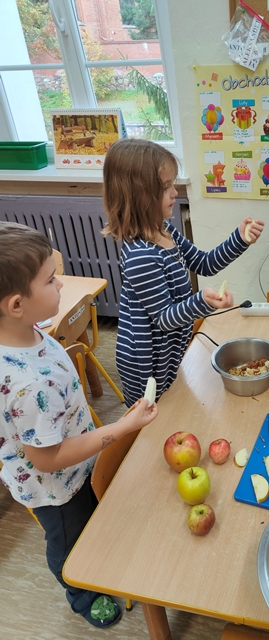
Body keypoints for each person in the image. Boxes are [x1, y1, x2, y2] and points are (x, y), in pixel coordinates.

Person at [0, 222, 158, 628]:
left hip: (76, 457)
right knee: (69, 541)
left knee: (94, 520)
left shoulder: (25, 330)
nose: (61, 283)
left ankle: (98, 558)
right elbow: (48, 460)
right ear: (17, 304)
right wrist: (117, 430)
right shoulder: (27, 384)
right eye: (51, 280)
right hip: (56, 486)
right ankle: (82, 593)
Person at [103, 139, 264, 407]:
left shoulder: (166, 231)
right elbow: (165, 318)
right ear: (138, 194)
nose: (174, 193)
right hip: (146, 363)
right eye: (165, 187)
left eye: (172, 184)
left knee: (175, 404)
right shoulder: (141, 256)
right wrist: (202, 302)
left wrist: (239, 239)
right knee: (152, 421)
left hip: (169, 351)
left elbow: (205, 263)